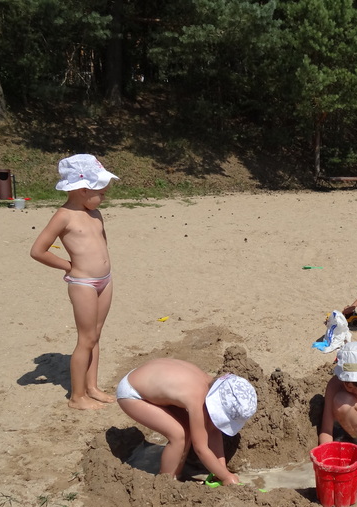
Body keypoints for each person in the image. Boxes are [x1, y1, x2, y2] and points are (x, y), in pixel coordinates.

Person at [30, 154, 119, 410]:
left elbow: (101, 244)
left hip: (105, 280)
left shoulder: (96, 213)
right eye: (101, 193)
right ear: (82, 189)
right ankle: (77, 397)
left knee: (96, 335)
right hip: (83, 283)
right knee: (86, 338)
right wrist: (69, 266)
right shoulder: (64, 216)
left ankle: (92, 387)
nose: (103, 198)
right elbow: (38, 251)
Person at [116, 358, 257, 484]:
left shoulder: (209, 386)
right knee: (179, 435)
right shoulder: (196, 398)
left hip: (146, 378)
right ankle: (166, 482)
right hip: (132, 393)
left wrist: (221, 470)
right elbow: (200, 448)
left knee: (189, 430)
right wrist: (226, 477)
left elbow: (214, 431)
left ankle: (177, 474)